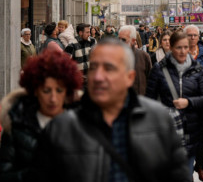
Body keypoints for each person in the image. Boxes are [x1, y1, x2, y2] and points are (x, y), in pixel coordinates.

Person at [32, 38, 189, 182]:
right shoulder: (61, 128)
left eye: (109, 68)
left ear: (129, 77)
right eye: (93, 67)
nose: (98, 76)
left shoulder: (159, 120)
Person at [0, 50, 82, 181]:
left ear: (67, 92)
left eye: (59, 90)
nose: (53, 98)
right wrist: (33, 174)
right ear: (35, 91)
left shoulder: (83, 126)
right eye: (46, 90)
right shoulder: (15, 126)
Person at [145, 31, 203, 175]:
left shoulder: (197, 69)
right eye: (178, 47)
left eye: (185, 47)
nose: (182, 51)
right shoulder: (159, 69)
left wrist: (189, 102)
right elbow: (148, 101)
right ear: (171, 47)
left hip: (190, 134)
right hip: (166, 133)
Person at [118, 25, 152, 95]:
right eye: (119, 39)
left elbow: (150, 81)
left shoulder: (143, 56)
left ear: (133, 41)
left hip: (140, 101)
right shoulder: (112, 57)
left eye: (124, 40)